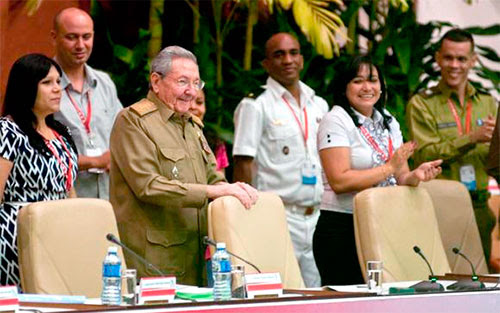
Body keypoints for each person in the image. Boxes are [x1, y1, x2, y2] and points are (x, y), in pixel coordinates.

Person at [109, 46, 258, 286]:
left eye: (197, 83)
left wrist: (234, 190)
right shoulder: (133, 121)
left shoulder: (191, 125)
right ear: (156, 82)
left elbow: (214, 178)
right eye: (182, 82)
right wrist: (212, 191)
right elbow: (148, 186)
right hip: (154, 259)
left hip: (196, 255)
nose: (191, 92)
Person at [314, 55, 442, 285]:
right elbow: (339, 181)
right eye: (357, 81)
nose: (367, 87)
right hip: (343, 229)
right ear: (344, 87)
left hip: (384, 222)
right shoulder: (335, 120)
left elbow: (401, 176)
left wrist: (416, 175)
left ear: (382, 87)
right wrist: (389, 167)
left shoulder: (388, 120)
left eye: (373, 80)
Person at [232, 32, 327, 287]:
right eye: (279, 54)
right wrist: (246, 217)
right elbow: (243, 163)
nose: (288, 60)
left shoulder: (318, 104)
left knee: (318, 294)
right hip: (278, 216)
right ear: (266, 63)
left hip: (316, 216)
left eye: (293, 53)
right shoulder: (255, 105)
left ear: (302, 59)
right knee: (279, 292)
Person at [406, 28, 498, 265]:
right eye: (448, 57)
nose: (454, 65)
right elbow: (424, 155)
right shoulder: (422, 104)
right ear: (438, 58)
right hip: (440, 206)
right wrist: (471, 138)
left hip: (480, 207)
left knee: (481, 283)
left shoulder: (488, 103)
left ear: (473, 61)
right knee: (444, 281)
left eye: (461, 59)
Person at [0, 54, 78, 286]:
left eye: (58, 82)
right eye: (47, 83)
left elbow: (68, 187)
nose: (57, 89)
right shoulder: (8, 130)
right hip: (18, 234)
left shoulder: (61, 131)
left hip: (59, 229)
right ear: (26, 87)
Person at [51, 7, 122, 199]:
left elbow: (124, 132)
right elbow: (37, 150)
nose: (80, 45)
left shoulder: (104, 82)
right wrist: (94, 161)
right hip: (65, 199)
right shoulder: (43, 85)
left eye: (86, 36)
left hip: (109, 197)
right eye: (72, 37)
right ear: (54, 37)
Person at [189, 89, 229, 173]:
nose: (193, 106)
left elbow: (220, 182)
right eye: (187, 101)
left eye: (199, 102)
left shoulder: (216, 141)